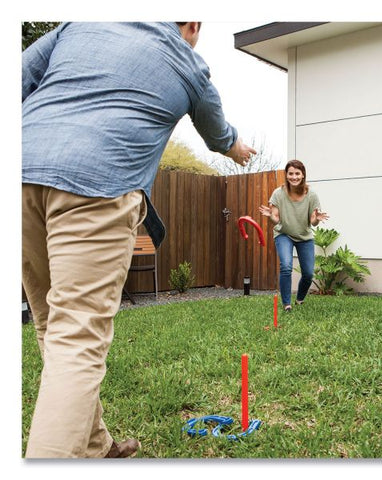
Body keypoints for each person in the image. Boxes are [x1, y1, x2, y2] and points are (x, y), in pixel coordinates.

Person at [22, 22, 256, 458]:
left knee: (54, 325)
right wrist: (237, 148)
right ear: (192, 25)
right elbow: (218, 132)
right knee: (76, 340)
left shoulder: (82, 23)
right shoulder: (188, 63)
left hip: (19, 175)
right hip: (97, 183)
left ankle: (96, 446)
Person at [259, 160, 329, 312]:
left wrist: (317, 219)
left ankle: (299, 299)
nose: (294, 177)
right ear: (286, 175)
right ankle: (286, 304)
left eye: (297, 173)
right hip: (284, 234)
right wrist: (270, 216)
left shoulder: (311, 195)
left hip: (304, 236)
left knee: (308, 273)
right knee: (286, 266)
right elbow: (276, 220)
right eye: (291, 173)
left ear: (303, 175)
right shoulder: (278, 194)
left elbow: (313, 221)